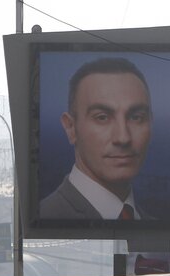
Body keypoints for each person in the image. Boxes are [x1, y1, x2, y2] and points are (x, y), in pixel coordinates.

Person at [40, 57, 153, 220]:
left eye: (136, 117)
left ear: (151, 122)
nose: (123, 137)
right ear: (71, 128)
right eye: (102, 117)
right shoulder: (47, 215)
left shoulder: (151, 222)